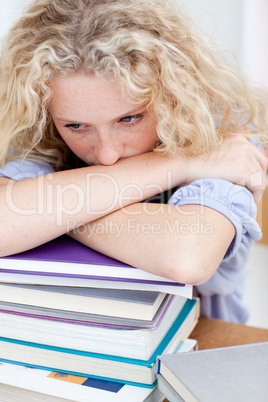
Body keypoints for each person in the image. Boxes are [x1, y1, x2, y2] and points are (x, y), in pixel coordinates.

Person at [0, 0, 267, 323]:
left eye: (129, 118)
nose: (107, 153)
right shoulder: (35, 128)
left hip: (200, 340)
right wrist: (178, 165)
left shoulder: (223, 131)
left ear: (172, 93)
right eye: (75, 126)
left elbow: (186, 256)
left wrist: (50, 213)